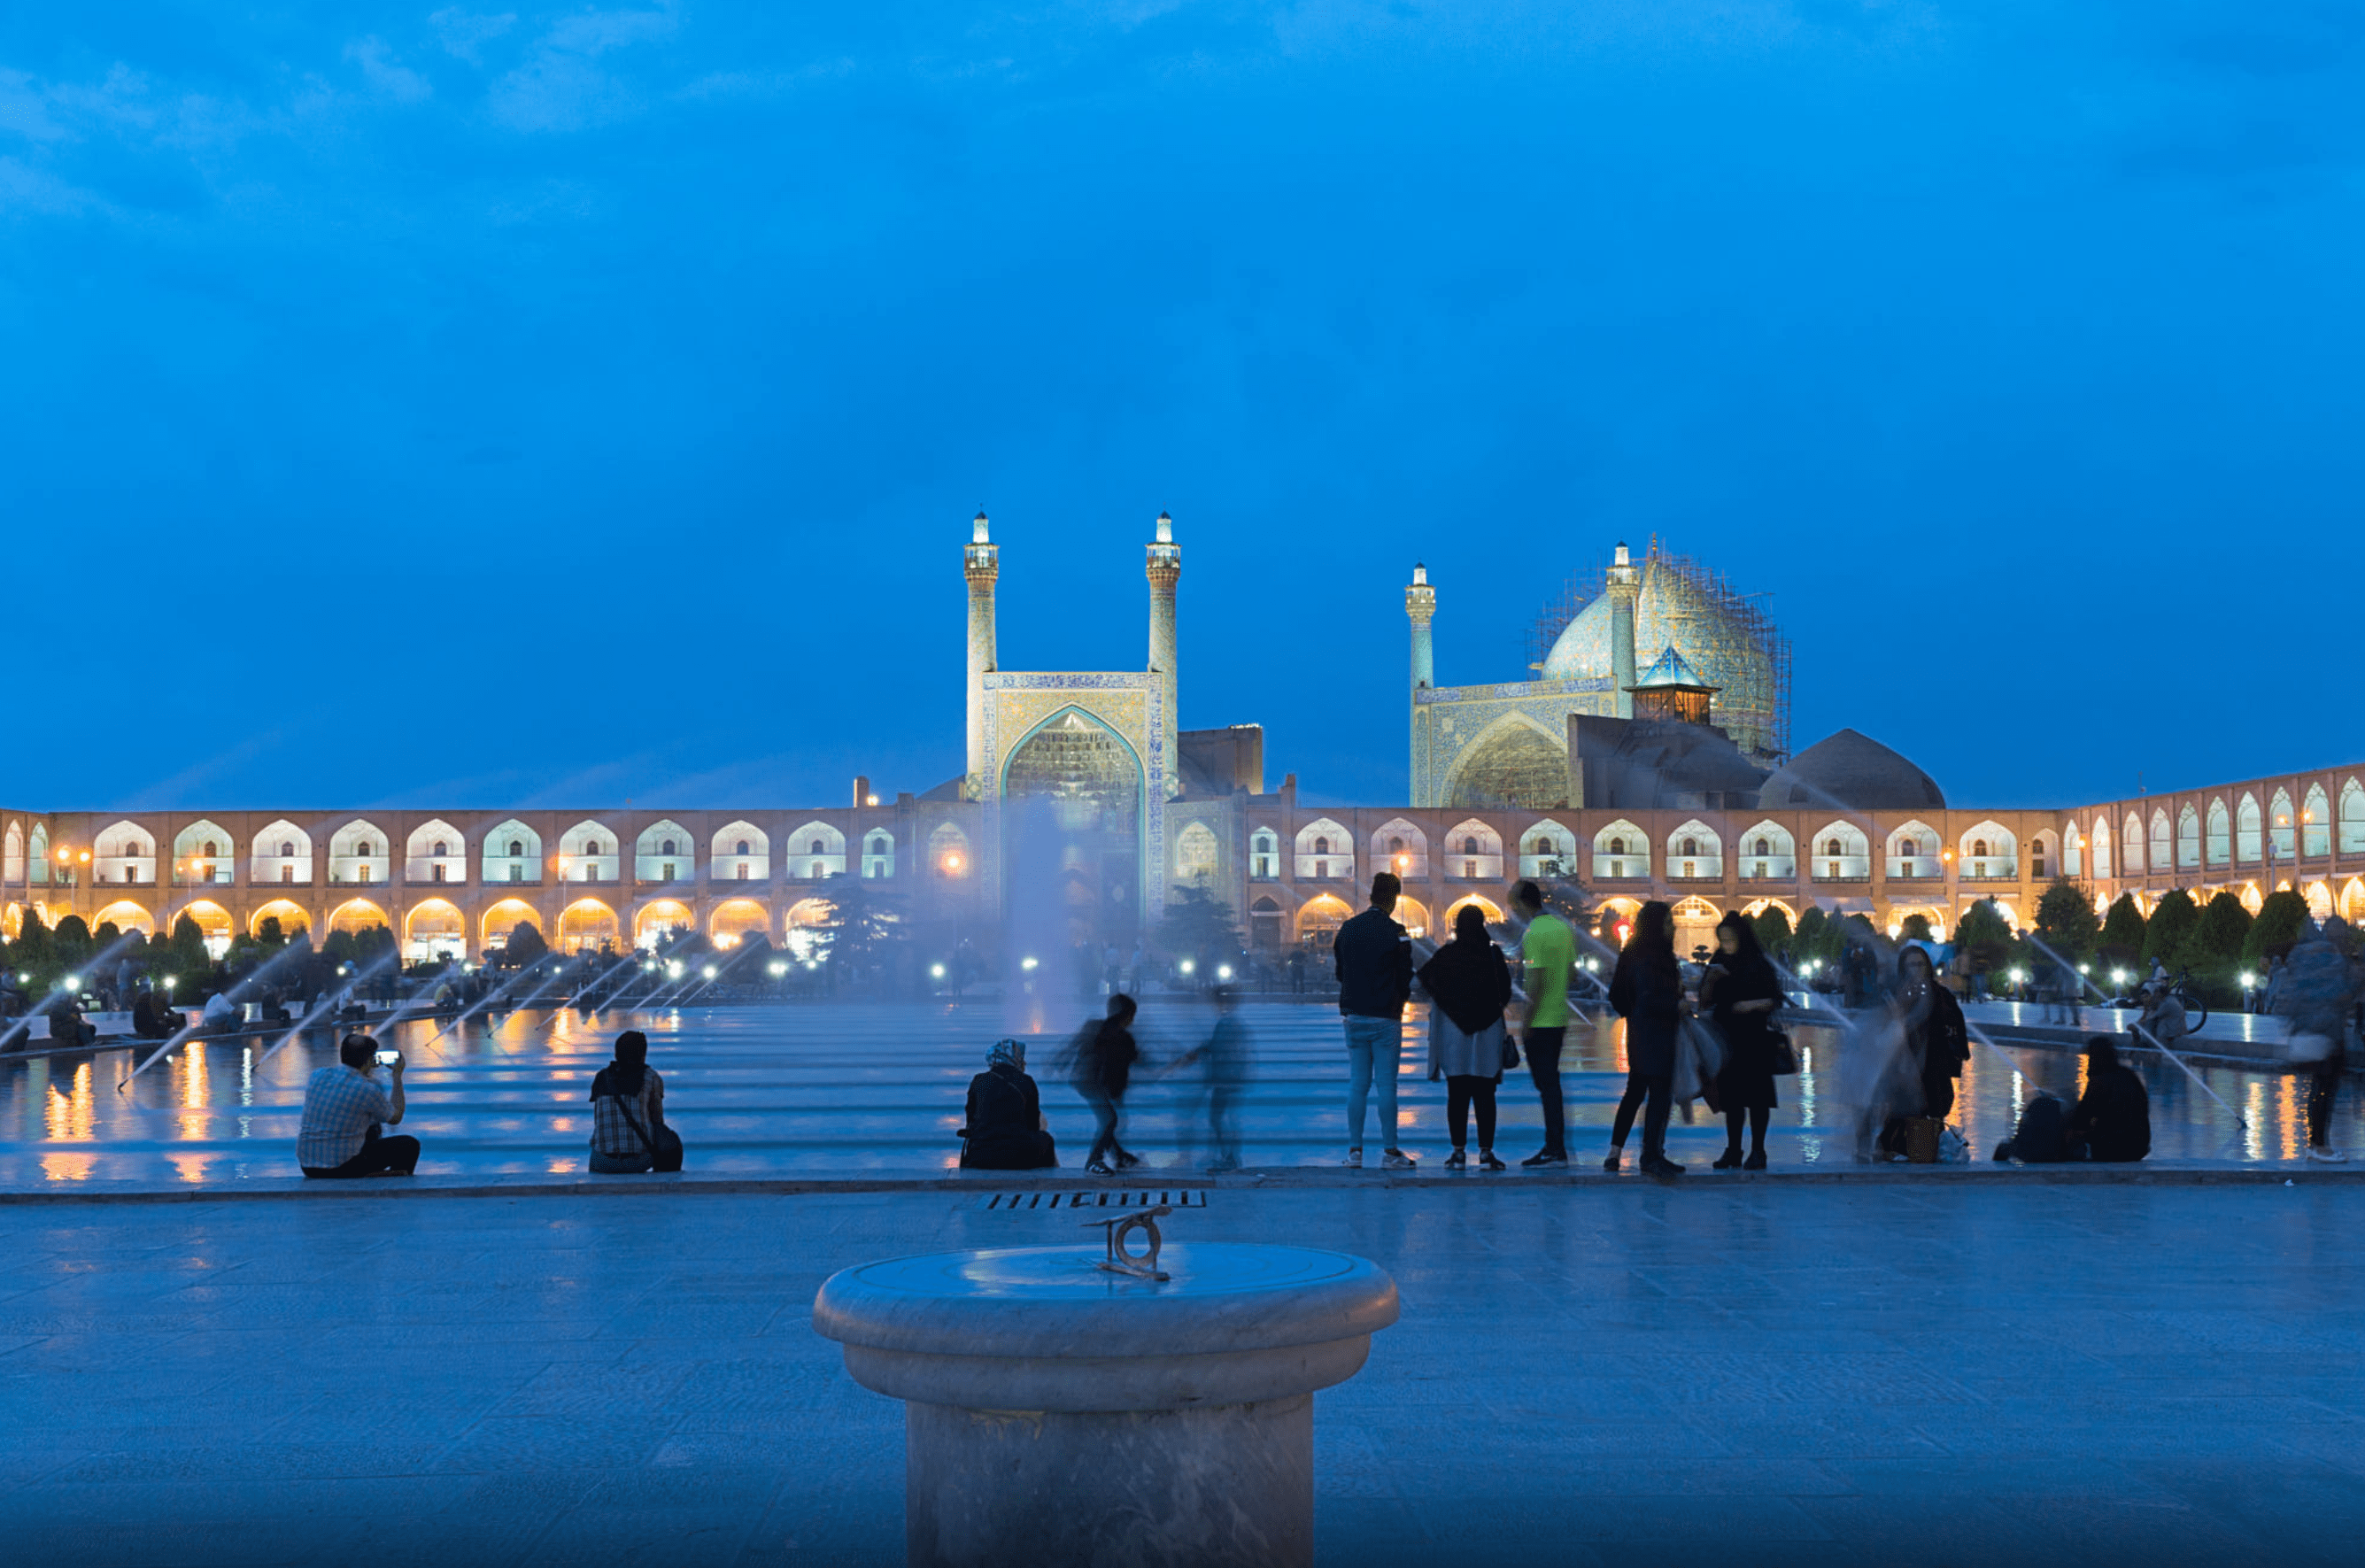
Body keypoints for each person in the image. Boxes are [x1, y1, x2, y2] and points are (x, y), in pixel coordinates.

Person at [1418, 903, 1514, 1170]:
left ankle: (1458, 1153)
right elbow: (1505, 990)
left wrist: (1450, 1004)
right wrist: (1489, 1012)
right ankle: (1486, 1153)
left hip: (1454, 1033)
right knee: (1485, 1092)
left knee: (1457, 1093)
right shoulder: (1492, 954)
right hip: (1487, 1032)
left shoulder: (1448, 954)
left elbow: (1425, 978)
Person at [1333, 871, 1417, 1170]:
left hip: (1354, 1016)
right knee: (1386, 1086)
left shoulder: (1348, 928)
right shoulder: (1398, 931)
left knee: (1358, 1084)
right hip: (1385, 1017)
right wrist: (1398, 998)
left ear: (1370, 895)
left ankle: (1355, 1152)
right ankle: (1390, 1152)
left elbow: (1340, 971)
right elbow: (1407, 972)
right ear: (1393, 898)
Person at [2272, 919, 2364, 1162]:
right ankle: (2319, 1145)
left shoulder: (2300, 955)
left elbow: (2291, 994)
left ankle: (2315, 1143)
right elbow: (2340, 992)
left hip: (2308, 1031)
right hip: (2326, 1032)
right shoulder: (2330, 956)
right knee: (2325, 1090)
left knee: (2318, 1090)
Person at [1605, 900, 1684, 1175]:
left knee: (1635, 1092)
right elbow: (1652, 997)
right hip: (1658, 1034)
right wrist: (1676, 1006)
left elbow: (1615, 995)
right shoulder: (1655, 957)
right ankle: (1651, 1155)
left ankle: (1615, 1153)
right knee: (1660, 1093)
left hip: (1640, 1033)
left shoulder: (1632, 952)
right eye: (1667, 922)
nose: (1671, 927)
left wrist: (1632, 1014)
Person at [1702, 911, 1782, 1170]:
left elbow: (1774, 998)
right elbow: (1704, 1001)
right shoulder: (1719, 961)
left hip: (1755, 1038)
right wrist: (1711, 981)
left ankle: (1759, 1151)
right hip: (1727, 1039)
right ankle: (1733, 1149)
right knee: (1733, 1099)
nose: (1726, 944)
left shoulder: (1758, 963)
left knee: (1757, 1098)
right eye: (1722, 939)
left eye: (1730, 938)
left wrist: (1747, 1006)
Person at [1875, 944, 1969, 1158]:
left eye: (1919, 964)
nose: (1916, 970)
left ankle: (1926, 1149)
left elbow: (1955, 1025)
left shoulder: (1941, 994)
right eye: (1910, 965)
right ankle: (1895, 1148)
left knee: (1934, 1109)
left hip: (1934, 1063)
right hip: (1903, 1064)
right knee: (1901, 1111)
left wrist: (1956, 1055)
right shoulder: (1895, 994)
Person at [1508, 880, 1573, 1168]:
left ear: (1523, 904)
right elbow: (1570, 972)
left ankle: (1554, 1149)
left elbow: (1534, 981)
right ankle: (1555, 1146)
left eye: (1514, 907)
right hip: (1559, 1017)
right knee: (1551, 1084)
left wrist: (1526, 1021)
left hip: (1541, 1021)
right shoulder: (1562, 928)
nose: (1513, 914)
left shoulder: (1533, 934)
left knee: (1546, 1085)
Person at [297, 1033, 418, 1178]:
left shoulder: (317, 1076)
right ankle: (394, 1185)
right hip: (340, 1167)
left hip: (309, 1167)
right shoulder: (367, 1089)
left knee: (371, 1126)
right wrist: (397, 1077)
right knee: (409, 1145)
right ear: (369, 1060)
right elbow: (395, 1117)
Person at [1174, 987, 1252, 1170]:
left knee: (1217, 1118)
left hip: (1226, 1079)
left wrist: (1197, 1056)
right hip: (1230, 1078)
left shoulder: (1228, 1023)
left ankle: (1229, 1158)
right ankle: (1226, 1156)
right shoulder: (1230, 1022)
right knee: (1223, 1118)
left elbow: (1218, 1049)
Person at [588, 1030, 680, 1173]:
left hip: (603, 1162)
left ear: (616, 1053)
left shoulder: (602, 1076)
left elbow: (598, 1121)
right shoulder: (650, 1077)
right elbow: (657, 1121)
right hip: (640, 1161)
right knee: (666, 1137)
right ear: (643, 1054)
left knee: (597, 1144)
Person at [960, 1039, 1058, 1170]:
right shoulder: (1026, 1081)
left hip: (980, 1155)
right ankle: (1053, 1181)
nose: (1025, 1063)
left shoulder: (979, 1080)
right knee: (1046, 1139)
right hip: (1018, 1155)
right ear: (1016, 1059)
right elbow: (1033, 1124)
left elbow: (971, 1120)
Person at [1071, 993, 1143, 1175]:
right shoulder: (1121, 1036)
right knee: (1109, 1119)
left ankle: (1119, 1156)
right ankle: (1094, 1160)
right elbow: (1125, 1062)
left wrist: (1057, 1060)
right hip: (1092, 1083)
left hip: (1084, 1081)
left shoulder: (1095, 1026)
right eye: (1131, 1017)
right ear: (1128, 1016)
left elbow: (1073, 1044)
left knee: (1108, 1119)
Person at [2069, 1037, 2150, 1162]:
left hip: (2111, 1148)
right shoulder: (2129, 1075)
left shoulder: (2100, 1080)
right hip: (2139, 1147)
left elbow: (2082, 1116)